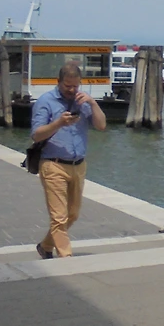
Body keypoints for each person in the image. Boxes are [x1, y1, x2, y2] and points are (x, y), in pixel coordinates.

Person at [30, 62, 107, 259]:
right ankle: (67, 258)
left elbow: (101, 125)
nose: (72, 90)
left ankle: (46, 246)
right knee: (59, 216)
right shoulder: (45, 101)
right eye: (67, 86)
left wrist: (93, 103)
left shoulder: (83, 101)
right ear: (59, 82)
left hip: (78, 165)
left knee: (72, 214)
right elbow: (36, 135)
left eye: (75, 86)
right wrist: (58, 123)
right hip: (53, 164)